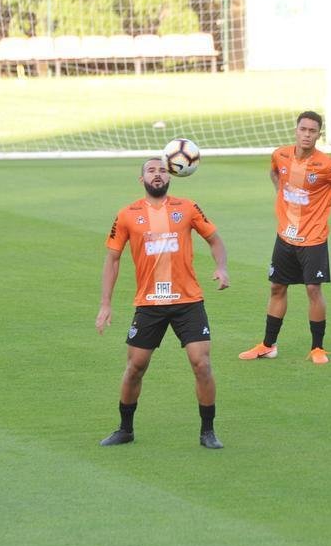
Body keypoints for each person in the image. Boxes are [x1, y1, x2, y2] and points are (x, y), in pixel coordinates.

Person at [96, 157, 230, 449]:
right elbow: (113, 259)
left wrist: (221, 267)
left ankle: (208, 431)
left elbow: (215, 240)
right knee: (135, 367)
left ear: (171, 176)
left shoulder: (187, 208)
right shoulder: (127, 214)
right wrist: (105, 304)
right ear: (141, 178)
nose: (157, 175)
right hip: (149, 303)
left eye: (161, 170)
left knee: (202, 363)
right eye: (150, 170)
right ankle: (125, 428)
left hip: (188, 301)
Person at [238, 111, 331, 365]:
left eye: (313, 131)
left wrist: (330, 196)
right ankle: (268, 345)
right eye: (303, 129)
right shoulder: (280, 154)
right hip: (285, 235)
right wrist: (279, 191)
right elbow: (275, 172)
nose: (307, 134)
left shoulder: (327, 165)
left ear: (319, 134)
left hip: (313, 237)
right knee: (276, 287)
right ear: (296, 130)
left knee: (312, 289)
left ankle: (317, 348)